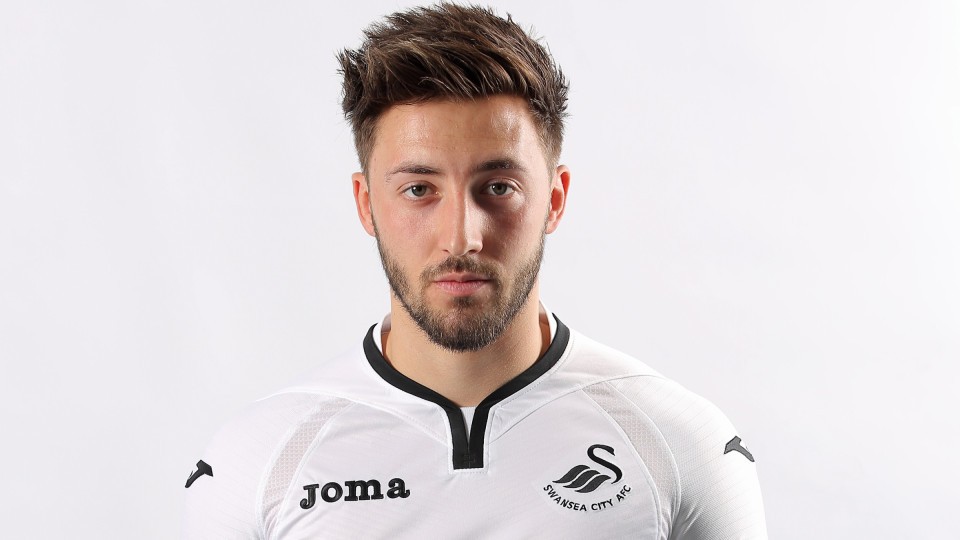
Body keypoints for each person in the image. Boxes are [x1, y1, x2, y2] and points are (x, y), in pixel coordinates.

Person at [182, 4, 767, 538]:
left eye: (498, 187)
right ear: (365, 204)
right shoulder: (259, 461)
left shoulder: (678, 446)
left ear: (555, 199)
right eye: (419, 189)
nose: (461, 237)